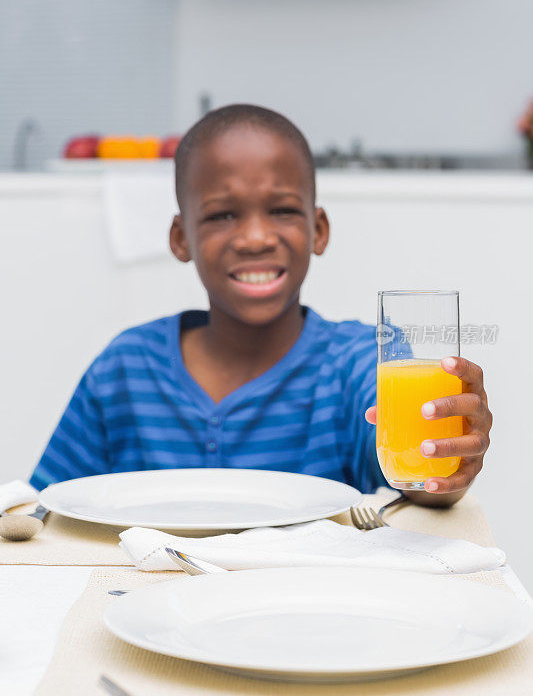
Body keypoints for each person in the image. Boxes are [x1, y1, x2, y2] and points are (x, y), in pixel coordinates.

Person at [29, 105, 492, 507]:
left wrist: (449, 460)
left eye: (282, 211)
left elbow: (422, 479)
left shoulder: (358, 360)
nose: (255, 238)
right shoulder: (125, 367)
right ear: (180, 238)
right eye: (223, 215)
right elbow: (42, 513)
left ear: (318, 230)